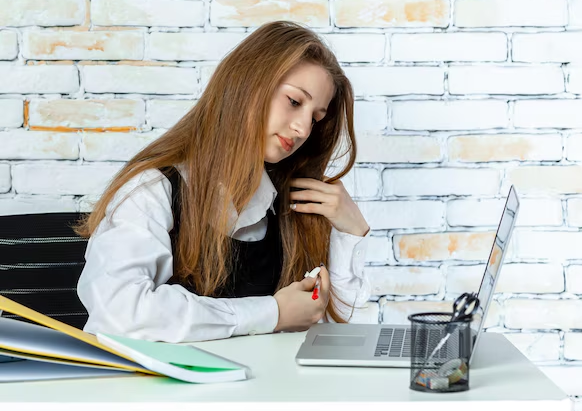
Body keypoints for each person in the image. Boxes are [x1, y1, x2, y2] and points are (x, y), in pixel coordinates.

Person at [75, 20, 371, 343]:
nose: (302, 128)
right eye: (294, 101)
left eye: (315, 118)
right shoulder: (153, 189)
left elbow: (333, 330)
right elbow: (120, 312)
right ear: (249, 85)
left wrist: (350, 233)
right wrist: (272, 313)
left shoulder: (288, 203)